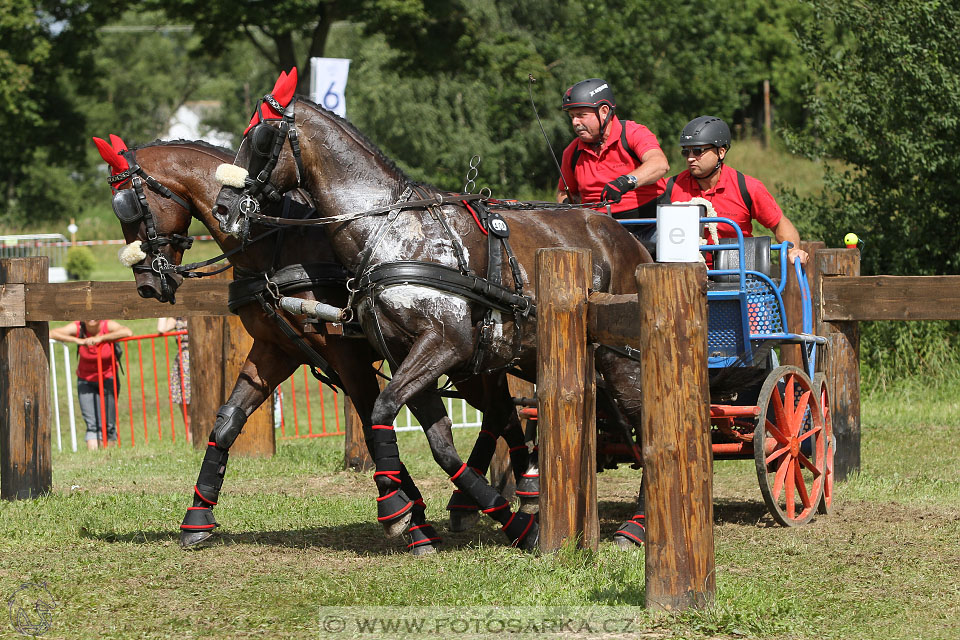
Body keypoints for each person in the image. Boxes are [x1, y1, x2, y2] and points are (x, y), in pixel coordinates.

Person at [663, 115, 808, 265]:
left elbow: (779, 224)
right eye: (686, 152)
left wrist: (793, 249)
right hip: (683, 275)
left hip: (737, 275)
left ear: (721, 152)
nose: (690, 158)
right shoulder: (669, 188)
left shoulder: (748, 188)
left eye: (698, 151)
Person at [555, 78, 670, 241]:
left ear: (604, 111)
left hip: (649, 226)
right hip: (600, 231)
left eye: (581, 115)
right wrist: (566, 204)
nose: (575, 122)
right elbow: (564, 191)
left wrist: (626, 181)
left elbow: (659, 164)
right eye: (572, 116)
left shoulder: (632, 133)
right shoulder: (572, 152)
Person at [50, 319, 132, 450]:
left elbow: (127, 332)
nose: (91, 318)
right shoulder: (78, 327)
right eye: (87, 315)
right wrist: (78, 341)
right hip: (85, 380)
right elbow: (52, 333)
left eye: (95, 314)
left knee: (109, 424)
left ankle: (110, 455)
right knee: (91, 424)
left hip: (108, 378)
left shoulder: (107, 325)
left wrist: (101, 338)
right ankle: (93, 458)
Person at [158, 317, 191, 409]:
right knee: (185, 401)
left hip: (199, 359)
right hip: (183, 363)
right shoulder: (177, 319)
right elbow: (161, 329)